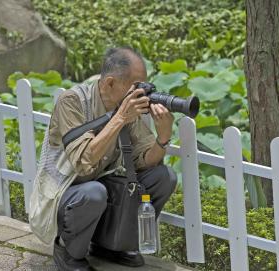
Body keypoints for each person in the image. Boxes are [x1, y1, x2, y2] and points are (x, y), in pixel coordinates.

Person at [28, 47, 177, 271]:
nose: (142, 92)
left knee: (163, 177)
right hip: (64, 193)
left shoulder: (125, 107)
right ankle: (68, 252)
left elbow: (144, 160)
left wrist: (163, 138)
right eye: (136, 86)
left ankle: (112, 246)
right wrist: (119, 119)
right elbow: (83, 161)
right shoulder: (72, 102)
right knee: (94, 192)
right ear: (109, 83)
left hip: (101, 187)